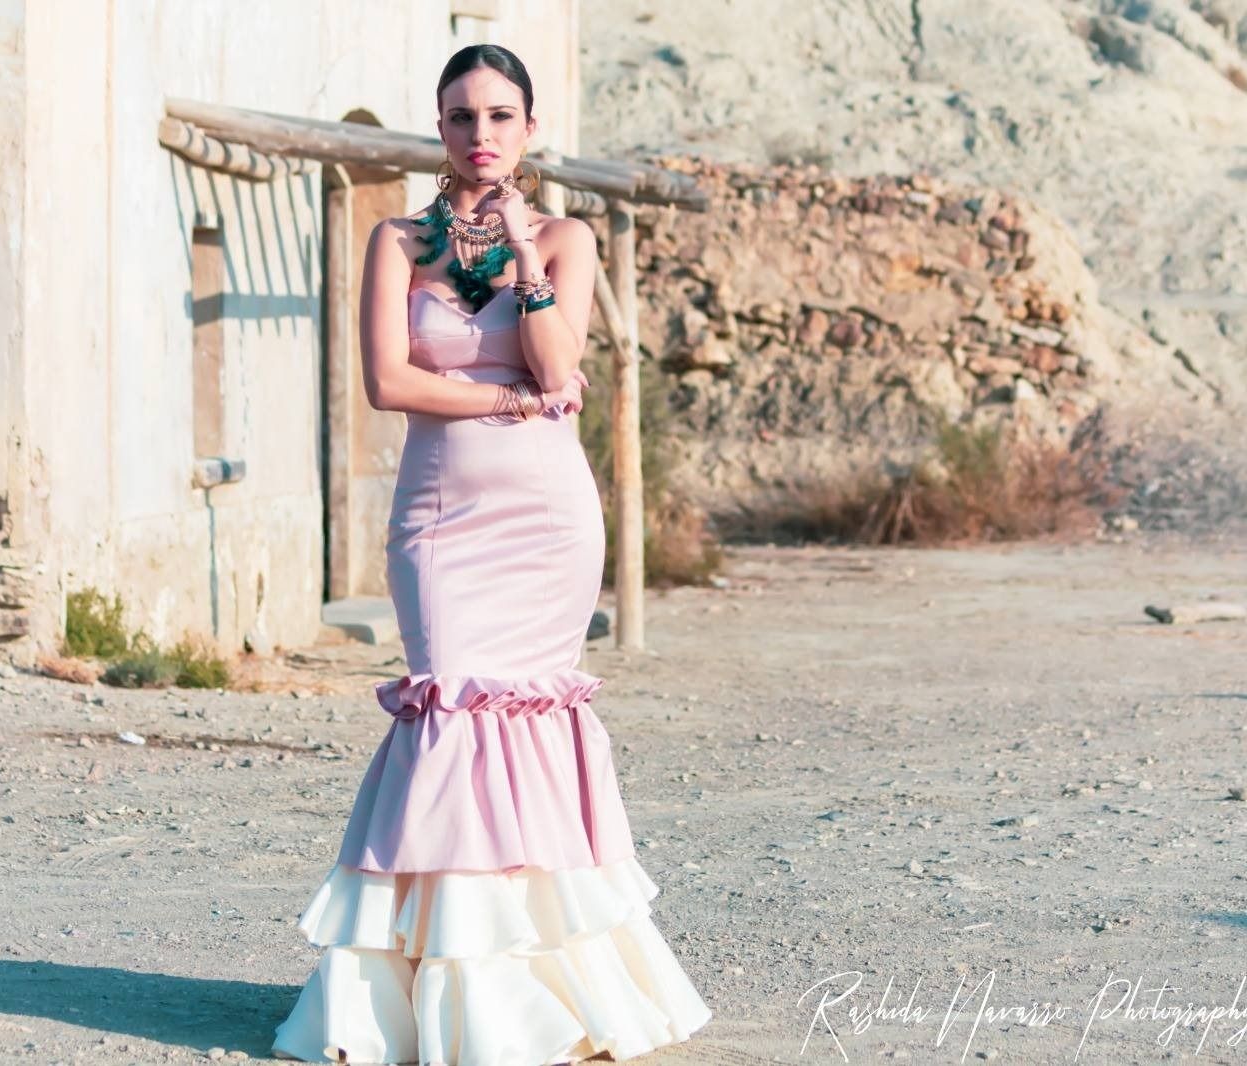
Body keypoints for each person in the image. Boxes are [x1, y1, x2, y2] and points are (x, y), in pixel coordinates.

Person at [270, 44, 712, 1065]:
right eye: (463, 117)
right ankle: (437, 992)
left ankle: (538, 990)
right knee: (449, 714)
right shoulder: (396, 240)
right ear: (439, 128)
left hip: (545, 519)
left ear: (529, 129)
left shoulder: (565, 237)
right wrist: (504, 398)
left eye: (501, 116)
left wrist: (521, 250)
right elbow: (389, 382)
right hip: (440, 518)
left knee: (527, 726)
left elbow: (561, 368)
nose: (481, 134)